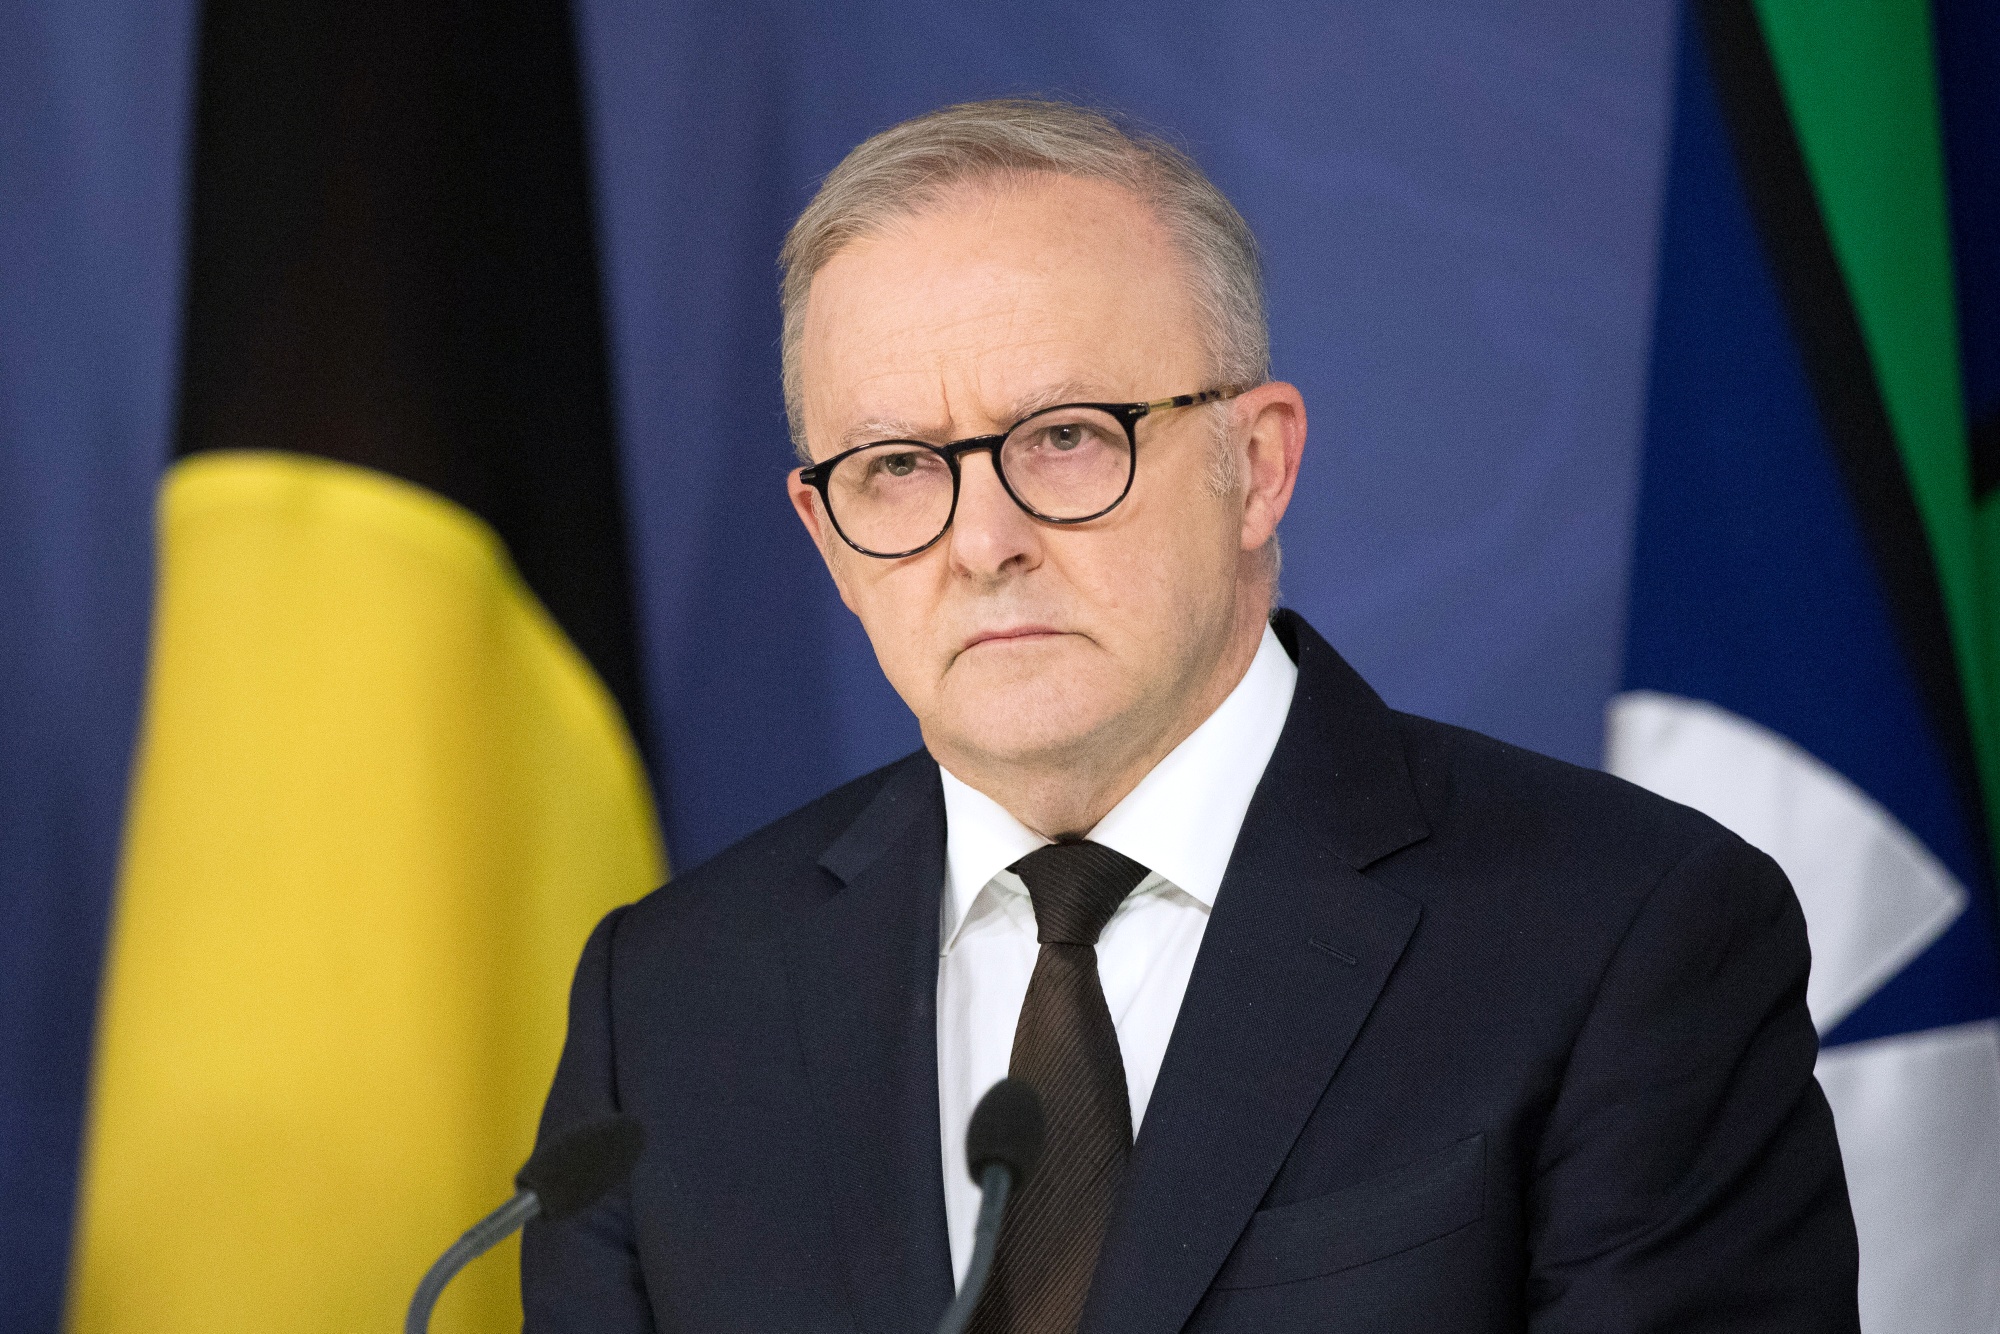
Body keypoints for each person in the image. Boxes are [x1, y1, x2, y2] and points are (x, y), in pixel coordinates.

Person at [522, 99, 1859, 1333]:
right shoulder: (673, 1002)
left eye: (1064, 437)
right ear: (826, 533)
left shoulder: (1624, 937)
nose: (982, 538)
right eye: (895, 468)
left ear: (1257, 465)